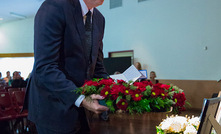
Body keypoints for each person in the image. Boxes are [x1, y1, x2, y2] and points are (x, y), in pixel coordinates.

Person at [23, 0, 109, 133]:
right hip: (53, 107)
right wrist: (80, 98)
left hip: (84, 110)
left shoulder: (99, 19)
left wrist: (116, 90)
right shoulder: (53, 6)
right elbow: (45, 67)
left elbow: (96, 66)